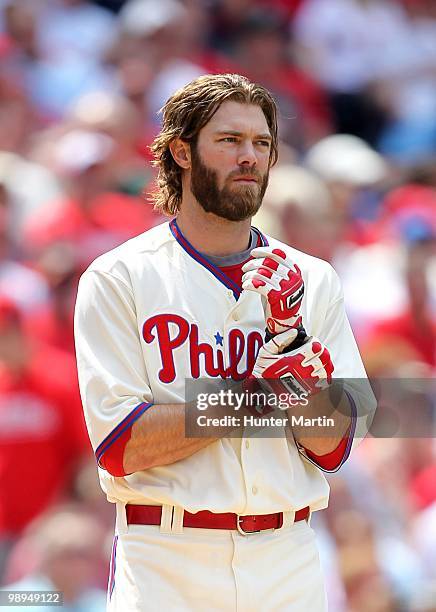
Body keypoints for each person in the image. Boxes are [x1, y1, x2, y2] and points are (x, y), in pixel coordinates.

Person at [74, 73, 375, 611]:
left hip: (288, 557)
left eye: (261, 143)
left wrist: (291, 344)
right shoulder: (119, 276)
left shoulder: (311, 279)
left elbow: (334, 449)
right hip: (168, 556)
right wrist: (257, 390)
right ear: (181, 152)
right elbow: (123, 446)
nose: (249, 157)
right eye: (230, 140)